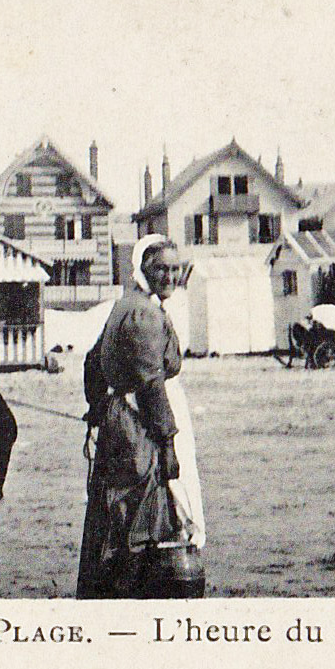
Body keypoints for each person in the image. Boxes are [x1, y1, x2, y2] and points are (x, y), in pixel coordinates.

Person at [79, 236, 204, 598]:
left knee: (125, 514)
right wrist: (167, 444)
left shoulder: (129, 305)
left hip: (127, 417)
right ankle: (135, 597)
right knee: (141, 515)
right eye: (161, 268)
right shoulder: (142, 314)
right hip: (141, 426)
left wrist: (98, 408)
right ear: (143, 269)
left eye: (175, 268)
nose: (170, 275)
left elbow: (92, 362)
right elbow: (151, 383)